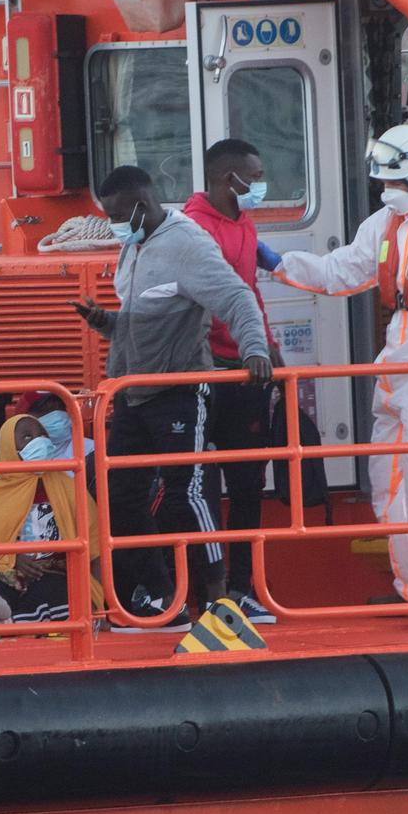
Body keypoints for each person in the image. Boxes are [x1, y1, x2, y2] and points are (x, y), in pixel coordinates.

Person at [260, 124, 408, 632]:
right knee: (389, 485)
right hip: (398, 363)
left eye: (394, 182)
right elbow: (340, 272)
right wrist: (281, 265)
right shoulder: (386, 223)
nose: (386, 191)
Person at [74, 166, 272, 629]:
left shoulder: (188, 244)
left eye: (119, 216)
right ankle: (163, 597)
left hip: (181, 391)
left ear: (142, 206)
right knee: (118, 494)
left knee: (188, 495)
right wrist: (103, 321)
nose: (114, 226)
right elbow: (138, 321)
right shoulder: (133, 245)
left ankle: (221, 600)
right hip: (132, 392)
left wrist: (255, 349)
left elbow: (237, 299)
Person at [184, 138, 279, 624]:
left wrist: (266, 348)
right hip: (205, 374)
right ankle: (196, 592)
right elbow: (217, 302)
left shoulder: (244, 222)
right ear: (230, 179)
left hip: (243, 373)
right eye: (254, 177)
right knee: (195, 488)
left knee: (247, 485)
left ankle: (242, 588)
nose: (260, 186)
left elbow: (248, 295)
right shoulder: (192, 229)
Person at [0, 414, 104, 625]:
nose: (39, 441)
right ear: (9, 447)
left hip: (56, 574)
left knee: (53, 597)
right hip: (10, 572)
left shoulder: (71, 489)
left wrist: (100, 606)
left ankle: (4, 622)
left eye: (42, 435)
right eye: (28, 437)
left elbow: (94, 548)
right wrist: (13, 557)